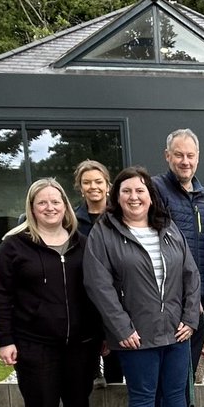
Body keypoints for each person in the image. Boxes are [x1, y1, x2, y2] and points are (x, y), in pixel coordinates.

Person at [84, 167, 204, 407]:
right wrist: (121, 327)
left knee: (177, 393)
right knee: (143, 397)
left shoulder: (168, 228)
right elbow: (99, 285)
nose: (134, 197)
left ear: (151, 196)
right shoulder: (104, 232)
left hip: (176, 331)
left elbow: (191, 275)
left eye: (140, 191)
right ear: (116, 196)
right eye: (127, 191)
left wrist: (190, 318)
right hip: (136, 335)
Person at [0, 178, 104, 407]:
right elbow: (0, 296)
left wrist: (103, 333)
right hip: (34, 343)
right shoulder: (14, 247)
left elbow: (98, 291)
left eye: (55, 201)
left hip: (82, 343)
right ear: (32, 208)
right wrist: (5, 339)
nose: (50, 207)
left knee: (79, 404)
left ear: (65, 206)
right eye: (42, 202)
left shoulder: (83, 243)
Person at [152, 129, 204, 407]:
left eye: (190, 156)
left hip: (202, 300)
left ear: (198, 158)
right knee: (169, 367)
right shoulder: (155, 191)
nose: (185, 161)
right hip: (170, 300)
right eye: (179, 155)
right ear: (167, 156)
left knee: (188, 367)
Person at [73, 160, 123, 385]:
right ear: (80, 187)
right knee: (87, 352)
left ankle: (115, 393)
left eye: (97, 181)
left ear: (107, 185)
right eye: (86, 182)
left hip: (115, 292)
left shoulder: (119, 217)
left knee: (114, 351)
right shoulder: (72, 221)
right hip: (83, 293)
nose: (93, 186)